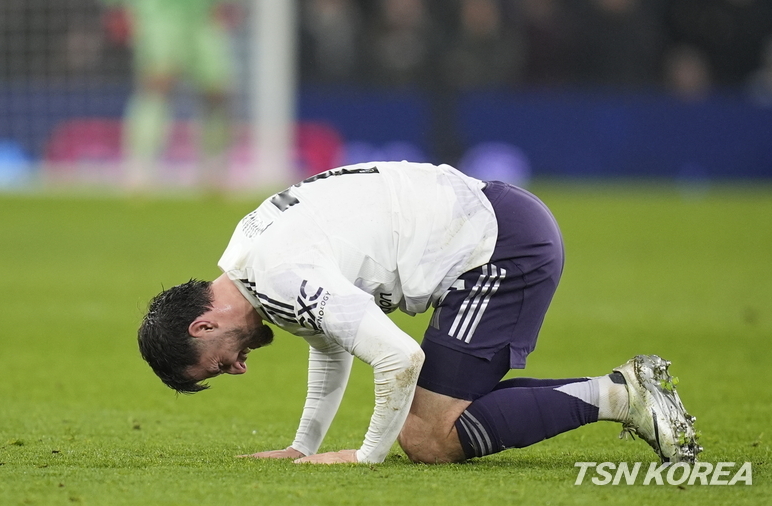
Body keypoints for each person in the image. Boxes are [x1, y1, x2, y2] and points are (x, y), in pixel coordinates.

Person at [137, 161, 701, 465]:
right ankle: (621, 394)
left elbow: (399, 357)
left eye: (219, 363)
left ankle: (622, 396)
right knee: (436, 425)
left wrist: (365, 456)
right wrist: (302, 446)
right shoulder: (248, 256)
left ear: (203, 325)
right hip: (494, 219)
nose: (238, 368)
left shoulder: (278, 276)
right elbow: (330, 337)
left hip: (498, 248)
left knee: (428, 438)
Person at [97, 0, 244, 190]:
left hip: (203, 9)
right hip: (158, 8)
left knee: (218, 90)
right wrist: (115, 1)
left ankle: (214, 168)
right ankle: (140, 167)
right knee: (157, 83)